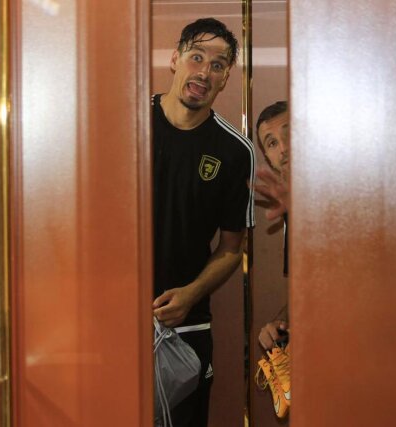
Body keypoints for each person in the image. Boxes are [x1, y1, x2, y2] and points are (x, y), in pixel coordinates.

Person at [151, 18, 256, 427]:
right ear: (175, 59)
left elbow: (232, 248)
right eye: (196, 57)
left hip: (186, 326)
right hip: (110, 317)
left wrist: (190, 294)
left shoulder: (235, 151)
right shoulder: (124, 122)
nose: (204, 72)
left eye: (217, 65)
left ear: (226, 78)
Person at [254, 101, 290, 350]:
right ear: (267, 157)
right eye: (272, 143)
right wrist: (281, 323)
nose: (284, 149)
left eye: (290, 135)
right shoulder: (292, 205)